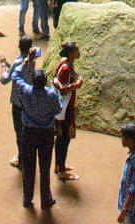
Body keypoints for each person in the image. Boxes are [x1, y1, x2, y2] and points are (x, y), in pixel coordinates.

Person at [7, 63, 61, 210]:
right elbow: (58, 109)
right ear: (45, 82)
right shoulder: (51, 94)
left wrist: (26, 62)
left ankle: (27, 198)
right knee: (45, 167)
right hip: (46, 134)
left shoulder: (25, 91)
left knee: (28, 167)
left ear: (32, 81)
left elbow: (16, 76)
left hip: (29, 132)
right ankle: (45, 199)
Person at [0, 36, 38, 168]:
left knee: (19, 132)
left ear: (19, 47)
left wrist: (4, 64)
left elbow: (4, 80)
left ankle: (22, 160)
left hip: (18, 103)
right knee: (28, 131)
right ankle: (28, 157)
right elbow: (22, 67)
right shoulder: (32, 60)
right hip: (29, 101)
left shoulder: (18, 63)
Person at [53, 41, 83, 181]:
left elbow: (55, 80)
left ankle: (60, 166)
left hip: (64, 107)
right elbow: (63, 90)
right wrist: (77, 84)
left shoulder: (65, 63)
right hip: (64, 109)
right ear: (71, 53)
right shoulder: (65, 68)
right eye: (76, 50)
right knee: (63, 139)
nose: (79, 52)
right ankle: (61, 170)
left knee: (62, 139)